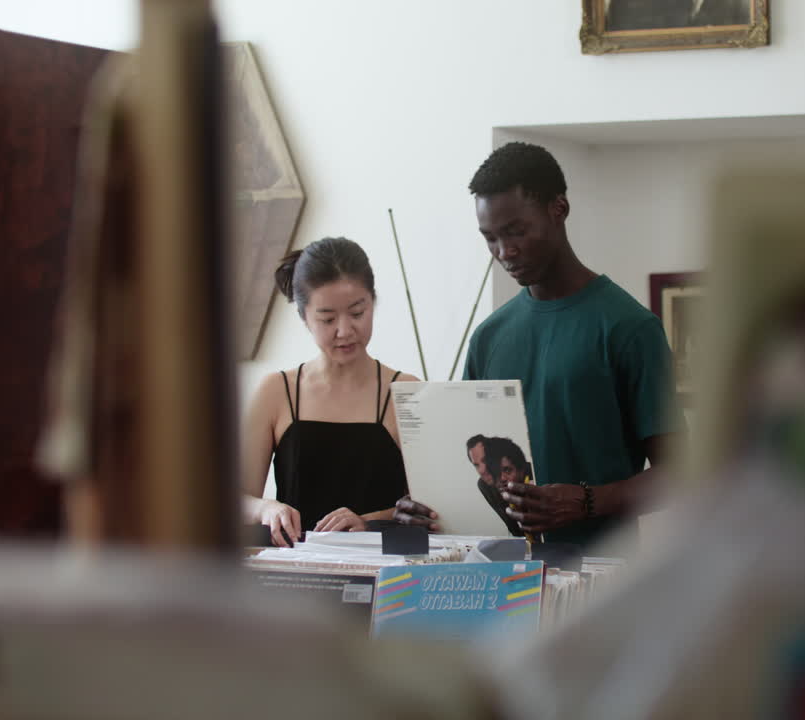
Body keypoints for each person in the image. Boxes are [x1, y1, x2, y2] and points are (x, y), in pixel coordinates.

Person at [397, 142, 681, 549]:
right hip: (498, 579)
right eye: (490, 237)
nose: (504, 252)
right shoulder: (489, 337)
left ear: (558, 208)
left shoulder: (630, 328)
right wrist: (421, 509)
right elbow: (467, 470)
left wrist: (586, 501)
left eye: (516, 232)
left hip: (601, 580)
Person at [241, 237, 418, 546]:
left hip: (385, 575)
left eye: (357, 313)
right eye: (327, 319)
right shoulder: (276, 391)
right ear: (303, 316)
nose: (344, 330)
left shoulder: (407, 392)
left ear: (372, 303)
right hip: (295, 574)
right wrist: (266, 507)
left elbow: (432, 511)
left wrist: (368, 521)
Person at [468, 435, 526, 538]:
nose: (481, 470)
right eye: (476, 465)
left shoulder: (525, 471)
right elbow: (513, 526)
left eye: (485, 460)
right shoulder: (485, 485)